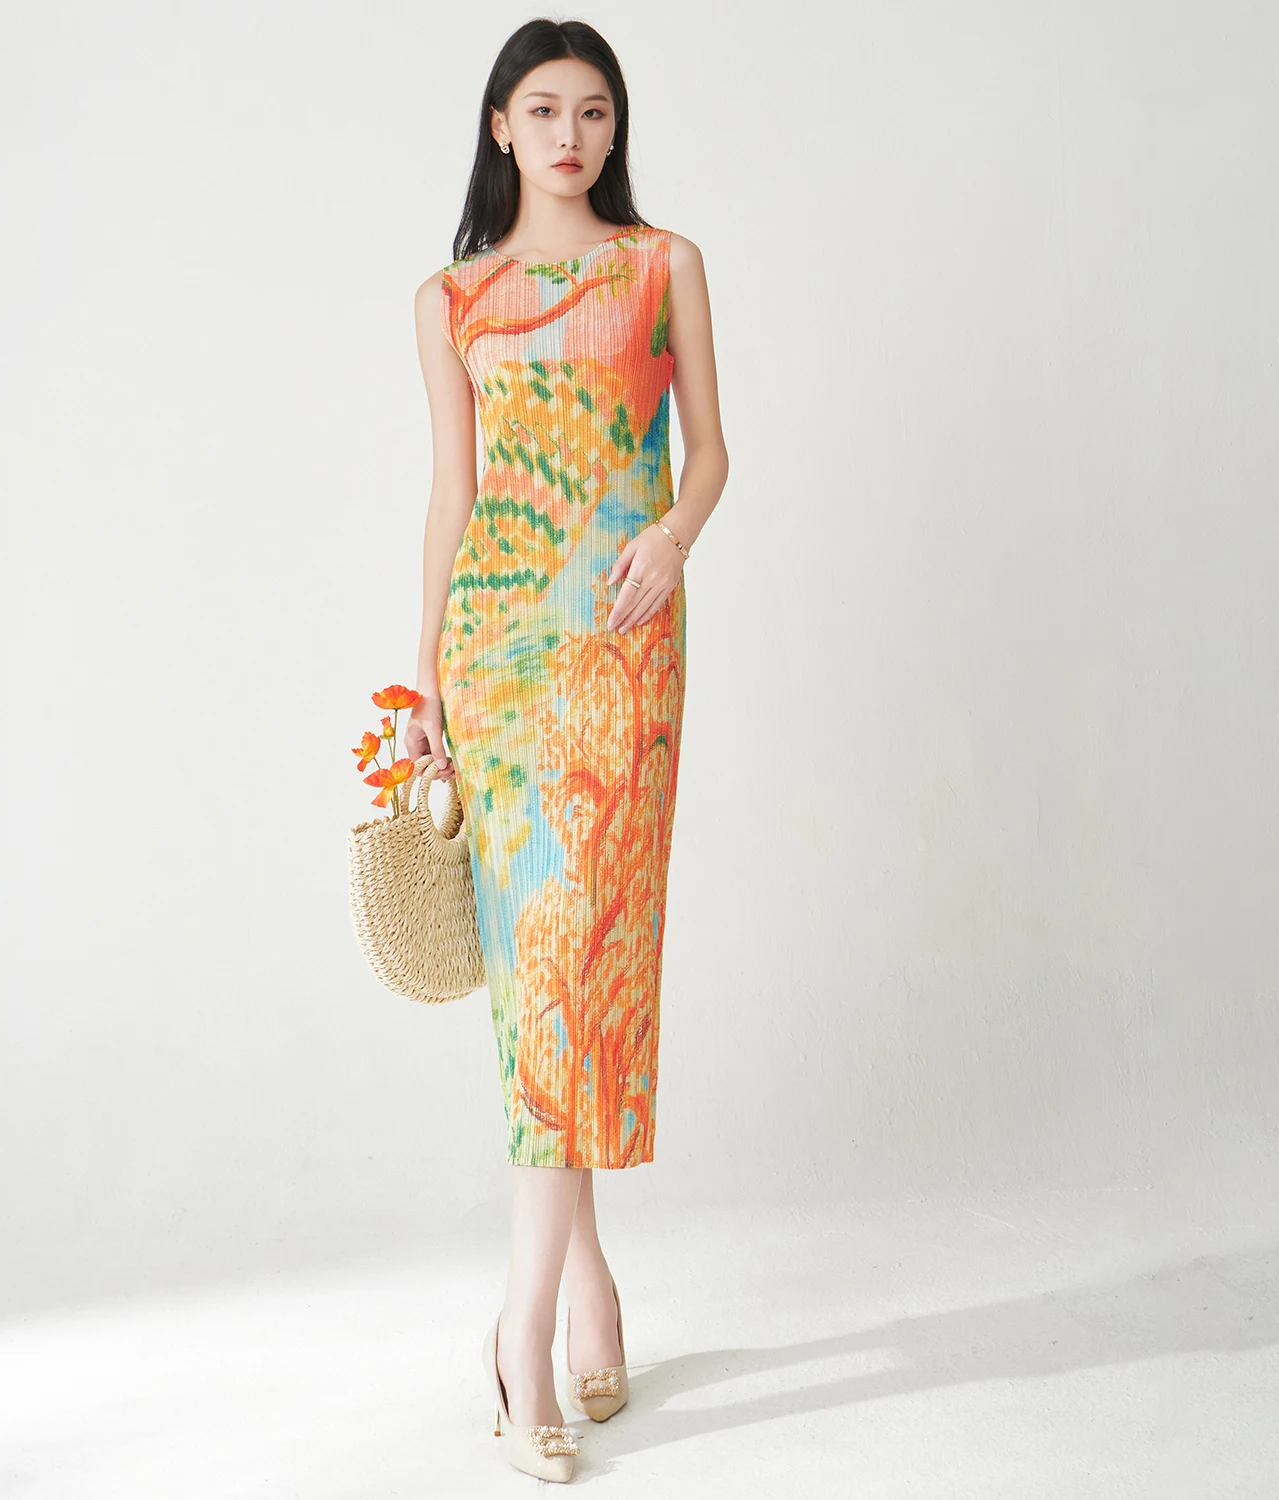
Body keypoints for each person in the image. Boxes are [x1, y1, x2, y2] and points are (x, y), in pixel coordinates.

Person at [404, 16, 727, 1483]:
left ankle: (560, 1299)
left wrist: (672, 537)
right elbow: (452, 496)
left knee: (586, 971)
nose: (570, 135)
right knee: (541, 986)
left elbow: (710, 449)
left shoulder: (663, 266)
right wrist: (426, 680)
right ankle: (537, 1324)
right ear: (500, 125)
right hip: (498, 656)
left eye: (593, 111)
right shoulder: (452, 298)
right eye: (543, 110)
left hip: (626, 642)